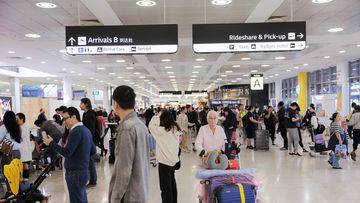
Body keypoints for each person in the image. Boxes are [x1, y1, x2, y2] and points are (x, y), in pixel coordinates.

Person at [43, 107, 96, 203]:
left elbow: (67, 152)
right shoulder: (86, 130)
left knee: (77, 200)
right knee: (82, 198)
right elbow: (93, 151)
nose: (64, 122)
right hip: (83, 171)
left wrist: (51, 143)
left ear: (74, 117)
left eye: (65, 118)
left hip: (75, 173)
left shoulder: (75, 132)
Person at [108, 85, 149, 203]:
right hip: (140, 191)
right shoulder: (141, 125)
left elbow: (124, 168)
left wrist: (115, 198)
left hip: (128, 196)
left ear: (116, 103)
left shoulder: (126, 128)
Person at [149, 110, 181, 203]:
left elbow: (151, 126)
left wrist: (157, 116)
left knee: (165, 189)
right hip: (173, 162)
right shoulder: (175, 129)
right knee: (172, 184)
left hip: (164, 163)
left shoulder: (162, 131)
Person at [80, 98, 98, 188]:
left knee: (90, 161)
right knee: (88, 161)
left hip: (89, 140)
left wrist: (87, 140)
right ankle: (91, 179)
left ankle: (93, 180)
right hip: (88, 140)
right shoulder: (86, 114)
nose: (80, 105)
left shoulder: (90, 114)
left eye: (81, 103)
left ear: (86, 104)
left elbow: (91, 129)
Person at [16, 113, 33, 180]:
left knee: (25, 168)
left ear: (22, 119)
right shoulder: (18, 127)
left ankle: (25, 184)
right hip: (20, 150)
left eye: (17, 119)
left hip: (25, 151)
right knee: (20, 169)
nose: (16, 120)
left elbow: (20, 137)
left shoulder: (26, 126)